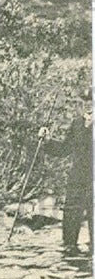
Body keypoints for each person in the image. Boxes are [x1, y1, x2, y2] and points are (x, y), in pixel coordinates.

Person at [40, 103, 93, 253]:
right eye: (86, 101)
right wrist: (47, 140)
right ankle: (69, 265)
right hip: (77, 181)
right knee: (69, 241)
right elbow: (65, 149)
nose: (88, 107)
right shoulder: (77, 123)